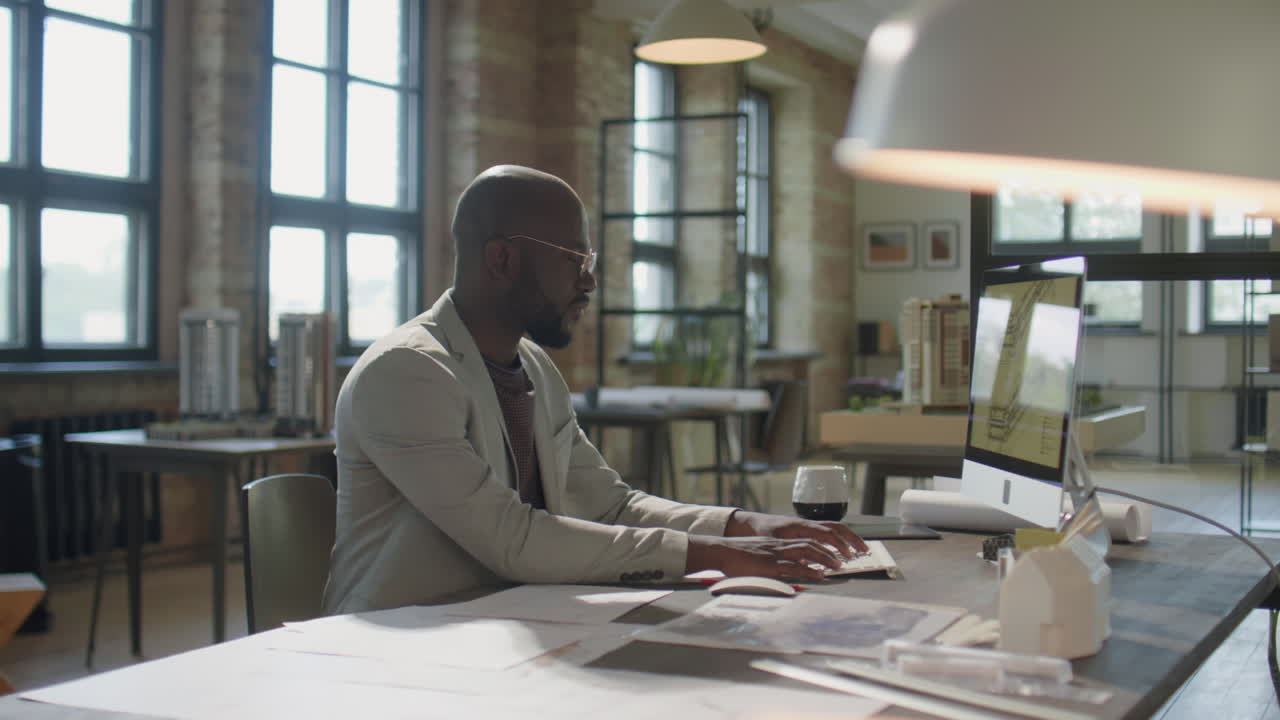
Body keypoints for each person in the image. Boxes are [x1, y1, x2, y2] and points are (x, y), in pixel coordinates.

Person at [322, 164, 865, 614]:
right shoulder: (406, 372)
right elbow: (513, 539)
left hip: (509, 621)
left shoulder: (532, 366)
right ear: (502, 258)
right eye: (573, 259)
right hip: (407, 649)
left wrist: (741, 524)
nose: (589, 281)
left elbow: (609, 507)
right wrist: (714, 554)